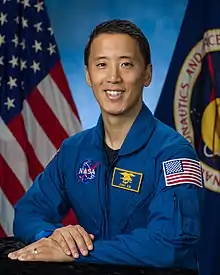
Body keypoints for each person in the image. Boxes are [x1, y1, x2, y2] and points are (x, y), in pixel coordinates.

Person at [8, 19, 203, 269]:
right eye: (102, 65)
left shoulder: (174, 155)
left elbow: (169, 246)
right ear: (89, 75)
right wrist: (52, 236)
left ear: (147, 74)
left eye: (126, 64)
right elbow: (27, 213)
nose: (113, 78)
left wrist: (78, 253)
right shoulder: (73, 151)